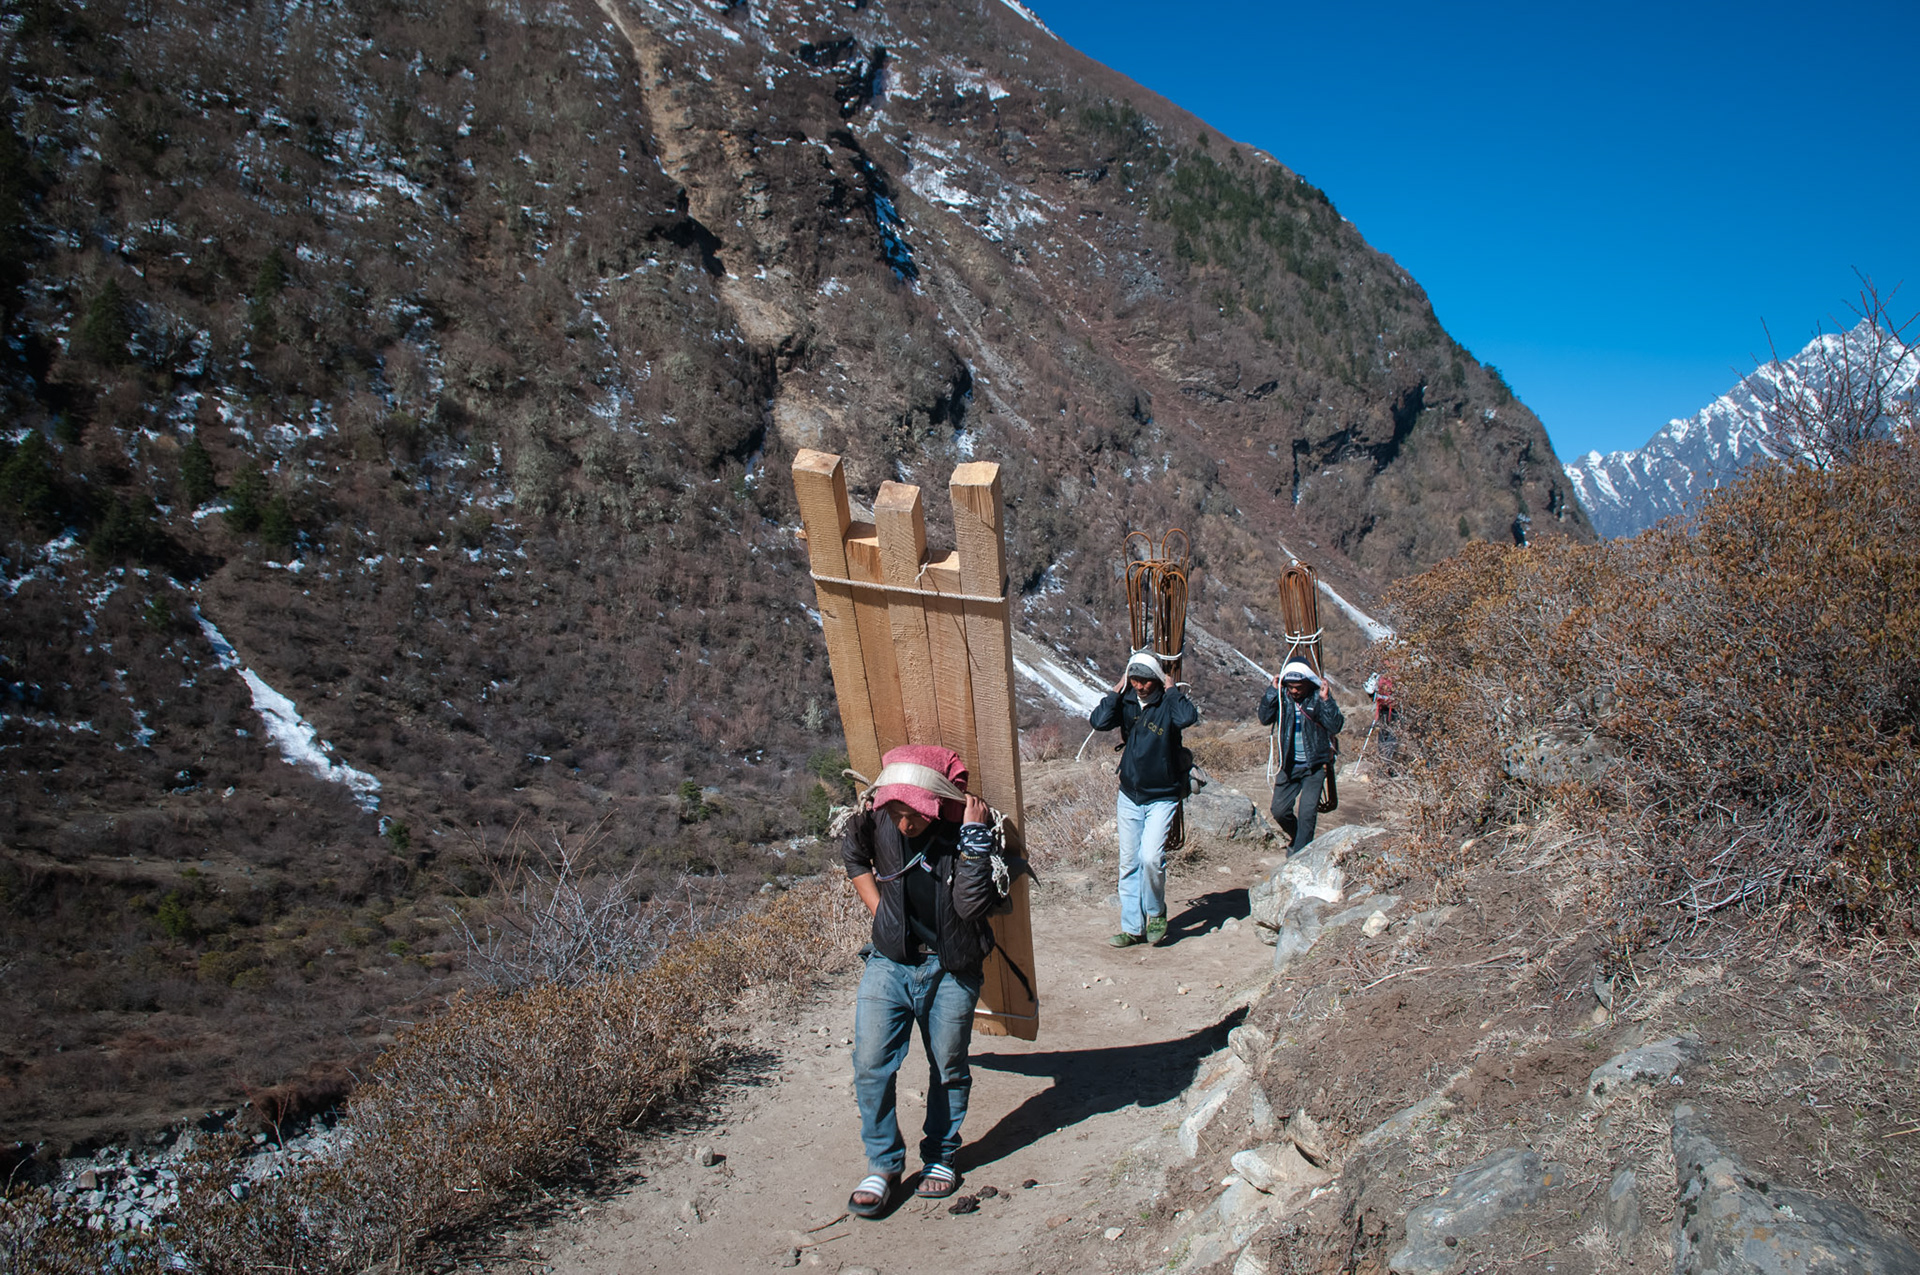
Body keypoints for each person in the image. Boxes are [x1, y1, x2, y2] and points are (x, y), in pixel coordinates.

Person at [841, 744, 999, 1218]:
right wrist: (882, 915)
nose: (904, 823)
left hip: (952, 966)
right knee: (870, 1062)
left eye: (914, 814)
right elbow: (853, 855)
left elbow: (971, 906)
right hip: (890, 961)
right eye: (896, 812)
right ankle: (883, 1164)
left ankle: (941, 1155)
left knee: (947, 1065)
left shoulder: (968, 830)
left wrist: (974, 838)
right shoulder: (877, 818)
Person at [1088, 651, 1198, 948]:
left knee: (1150, 858)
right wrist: (1116, 690)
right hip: (1129, 794)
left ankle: (1156, 912)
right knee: (1128, 863)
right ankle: (1132, 927)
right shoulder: (1126, 701)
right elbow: (1098, 721)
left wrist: (1171, 690)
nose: (1139, 686)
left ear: (1157, 680)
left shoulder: (1168, 704)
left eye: (1145, 681)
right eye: (1134, 680)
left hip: (1162, 795)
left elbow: (1187, 718)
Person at [1259, 660, 1345, 854]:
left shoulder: (1317, 697)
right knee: (1279, 810)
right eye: (1290, 687)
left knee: (1307, 813)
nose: (1294, 691)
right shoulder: (1282, 697)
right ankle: (1300, 839)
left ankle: (1298, 854)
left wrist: (1326, 700)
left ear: (1308, 683)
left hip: (1314, 765)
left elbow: (1335, 725)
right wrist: (1272, 691)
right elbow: (1264, 718)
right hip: (1289, 764)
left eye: (1298, 687)